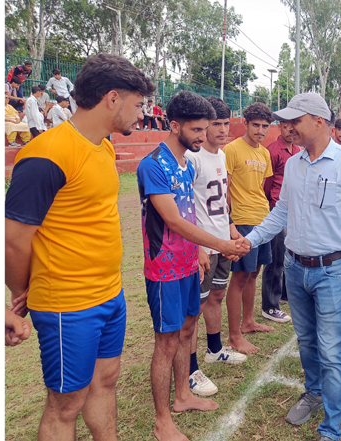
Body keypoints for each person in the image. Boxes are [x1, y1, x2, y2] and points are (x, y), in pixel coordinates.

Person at [4, 53, 155, 440]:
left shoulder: (103, 146)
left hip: (110, 294)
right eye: (138, 105)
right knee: (65, 404)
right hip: (67, 303)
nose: (142, 114)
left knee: (106, 380)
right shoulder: (46, 154)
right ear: (112, 98)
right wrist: (22, 291)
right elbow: (13, 241)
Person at [242, 92, 341, 441]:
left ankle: (331, 428)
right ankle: (314, 392)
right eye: (286, 122)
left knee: (331, 349)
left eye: (295, 121)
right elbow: (281, 212)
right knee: (306, 340)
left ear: (319, 122)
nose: (288, 127)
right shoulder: (294, 164)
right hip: (294, 267)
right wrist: (250, 240)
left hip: (331, 270)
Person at [136, 90, 250, 441]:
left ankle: (183, 395)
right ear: (175, 126)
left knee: (188, 329)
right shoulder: (153, 164)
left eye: (205, 128)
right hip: (165, 270)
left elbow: (190, 213)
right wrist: (220, 245)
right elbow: (173, 220)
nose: (203, 136)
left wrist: (199, 251)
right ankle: (162, 421)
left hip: (189, 264)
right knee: (166, 342)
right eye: (196, 129)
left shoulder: (186, 162)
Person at [185, 96, 248, 397]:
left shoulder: (221, 155)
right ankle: (190, 369)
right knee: (194, 309)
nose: (223, 130)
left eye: (226, 123)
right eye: (216, 124)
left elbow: (221, 199)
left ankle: (214, 349)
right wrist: (196, 245)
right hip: (203, 244)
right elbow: (184, 206)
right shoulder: (192, 158)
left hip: (222, 240)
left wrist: (231, 227)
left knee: (217, 295)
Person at [223, 102, 278, 354]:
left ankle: (248, 322)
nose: (260, 131)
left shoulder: (264, 154)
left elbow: (262, 189)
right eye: (256, 125)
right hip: (242, 220)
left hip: (262, 220)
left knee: (254, 273)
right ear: (245, 123)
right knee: (240, 276)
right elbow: (225, 189)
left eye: (265, 126)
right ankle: (234, 335)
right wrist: (230, 223)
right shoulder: (232, 149)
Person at [261, 120, 302, 314]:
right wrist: (271, 206)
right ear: (280, 127)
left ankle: (285, 293)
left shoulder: (298, 150)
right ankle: (270, 304)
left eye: (293, 128)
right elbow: (267, 184)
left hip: (294, 210)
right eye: (286, 127)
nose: (290, 131)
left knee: (291, 254)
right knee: (276, 258)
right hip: (276, 207)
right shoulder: (273, 151)